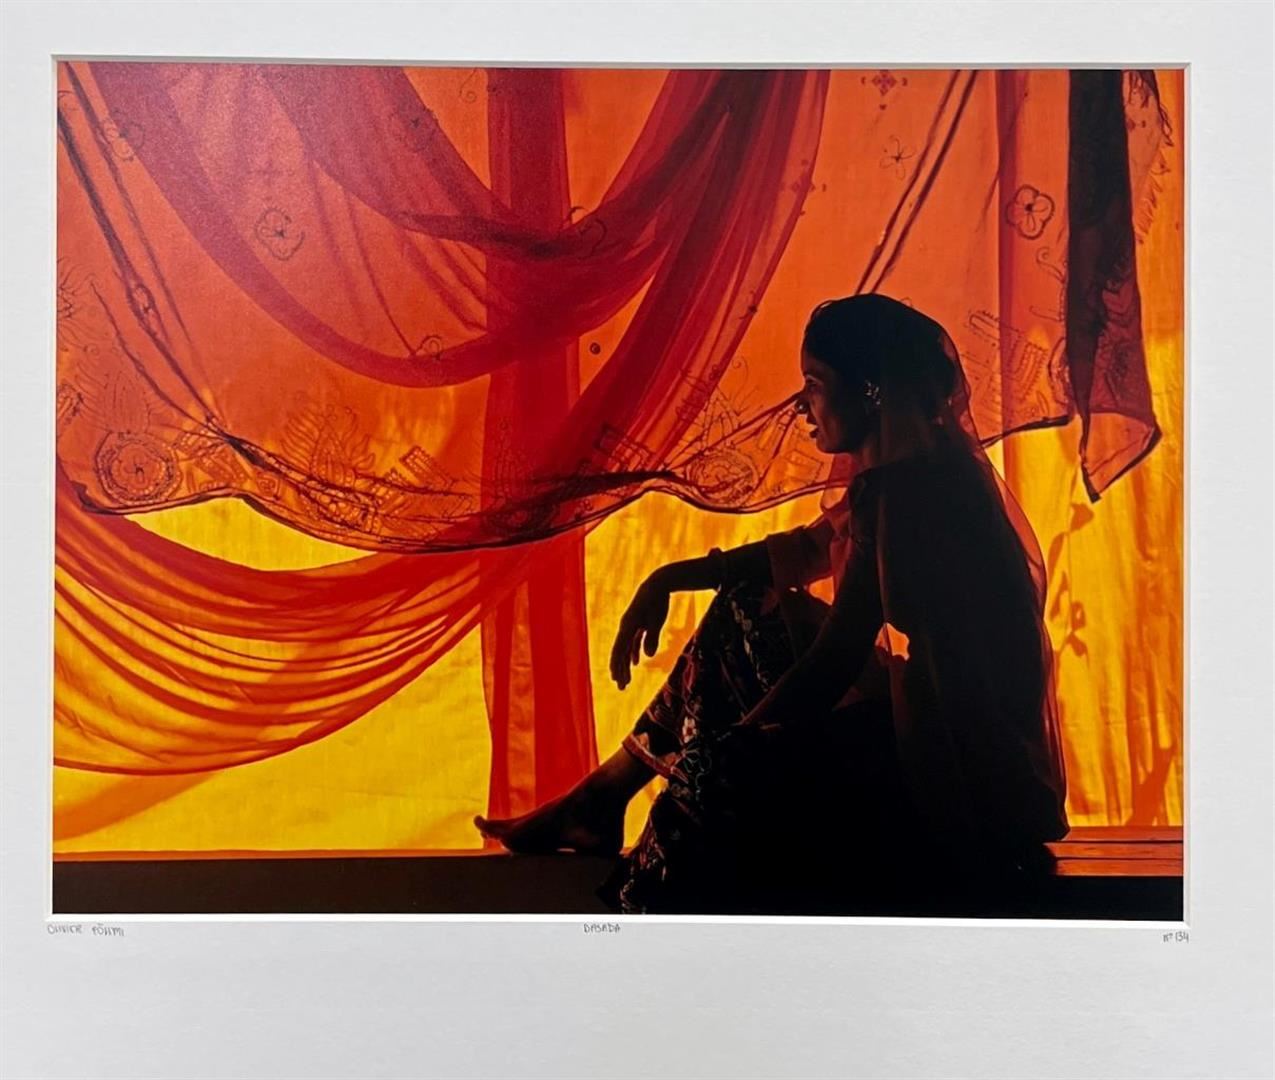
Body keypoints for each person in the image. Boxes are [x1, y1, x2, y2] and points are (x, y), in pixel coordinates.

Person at [476, 294, 1069, 914]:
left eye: (815, 384)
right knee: (742, 610)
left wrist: (725, 750)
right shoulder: (918, 474)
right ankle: (604, 795)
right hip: (947, 746)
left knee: (717, 775)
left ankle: (627, 893)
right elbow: (808, 550)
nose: (801, 406)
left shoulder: (903, 496)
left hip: (953, 780)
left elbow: (834, 660)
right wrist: (671, 577)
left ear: (871, 392)